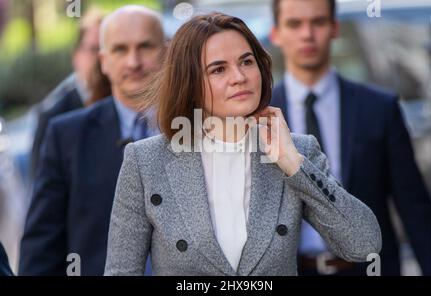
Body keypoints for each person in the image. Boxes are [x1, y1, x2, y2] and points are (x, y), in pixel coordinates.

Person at [104, 12, 381, 276]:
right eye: (218, 69)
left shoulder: (298, 151)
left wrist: (293, 165)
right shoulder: (145, 160)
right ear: (190, 83)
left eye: (247, 62)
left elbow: (364, 244)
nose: (239, 77)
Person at [270, 0, 431, 275]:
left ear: (334, 27)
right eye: (294, 24)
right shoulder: (261, 117)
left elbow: (415, 208)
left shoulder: (379, 108)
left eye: (317, 22)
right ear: (277, 33)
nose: (307, 34)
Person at [19, 5, 164, 276]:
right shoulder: (66, 136)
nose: (133, 61)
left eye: (145, 46)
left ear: (167, 51)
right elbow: (41, 246)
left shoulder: (197, 128)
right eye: (120, 49)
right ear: (104, 60)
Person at [29, 8, 108, 179]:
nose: (102, 57)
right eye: (94, 48)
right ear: (76, 56)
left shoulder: (128, 108)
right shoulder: (53, 116)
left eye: (108, 48)